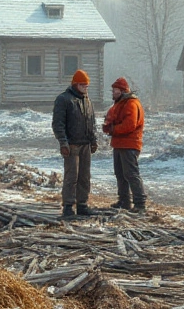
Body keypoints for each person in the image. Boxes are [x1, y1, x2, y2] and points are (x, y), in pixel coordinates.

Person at [52, 70, 98, 218]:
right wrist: (63, 142)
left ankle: (82, 205)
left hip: (85, 144)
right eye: (83, 85)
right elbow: (58, 124)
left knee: (85, 176)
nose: (85, 87)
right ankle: (68, 207)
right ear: (75, 84)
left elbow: (91, 122)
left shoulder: (87, 100)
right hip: (71, 145)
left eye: (87, 85)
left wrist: (93, 140)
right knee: (71, 177)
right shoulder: (63, 99)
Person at [103, 77, 147, 214]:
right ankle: (124, 201)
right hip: (120, 143)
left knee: (131, 174)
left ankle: (140, 204)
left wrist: (113, 129)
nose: (113, 92)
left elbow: (130, 125)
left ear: (122, 91)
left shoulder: (131, 104)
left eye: (115, 90)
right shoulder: (121, 103)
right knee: (120, 174)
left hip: (129, 144)